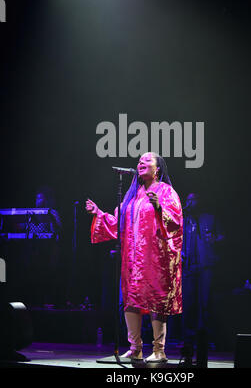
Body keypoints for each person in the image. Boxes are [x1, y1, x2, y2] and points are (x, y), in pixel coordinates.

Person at [86, 152, 183, 362]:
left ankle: (159, 350)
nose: (141, 162)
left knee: (156, 301)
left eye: (147, 160)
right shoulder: (133, 195)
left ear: (158, 169)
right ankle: (135, 348)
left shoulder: (167, 192)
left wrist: (159, 207)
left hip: (155, 258)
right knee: (131, 300)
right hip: (132, 259)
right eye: (139, 160)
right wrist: (99, 213)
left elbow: (175, 222)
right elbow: (118, 224)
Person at [181, 193, 224, 367]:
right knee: (189, 308)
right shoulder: (185, 220)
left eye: (194, 199)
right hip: (189, 268)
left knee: (204, 307)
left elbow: (222, 237)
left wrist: (215, 239)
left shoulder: (210, 218)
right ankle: (188, 352)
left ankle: (202, 353)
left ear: (200, 201)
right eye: (189, 200)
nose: (191, 202)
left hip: (206, 267)